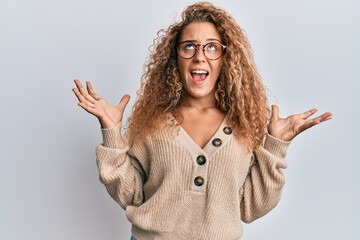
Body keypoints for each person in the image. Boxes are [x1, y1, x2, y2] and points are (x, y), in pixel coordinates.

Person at [72, 2, 332, 239]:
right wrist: (111, 130)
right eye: (189, 46)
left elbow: (250, 208)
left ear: (225, 58)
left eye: (211, 47)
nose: (199, 56)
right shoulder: (153, 123)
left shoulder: (244, 126)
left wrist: (276, 144)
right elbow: (132, 195)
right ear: (175, 58)